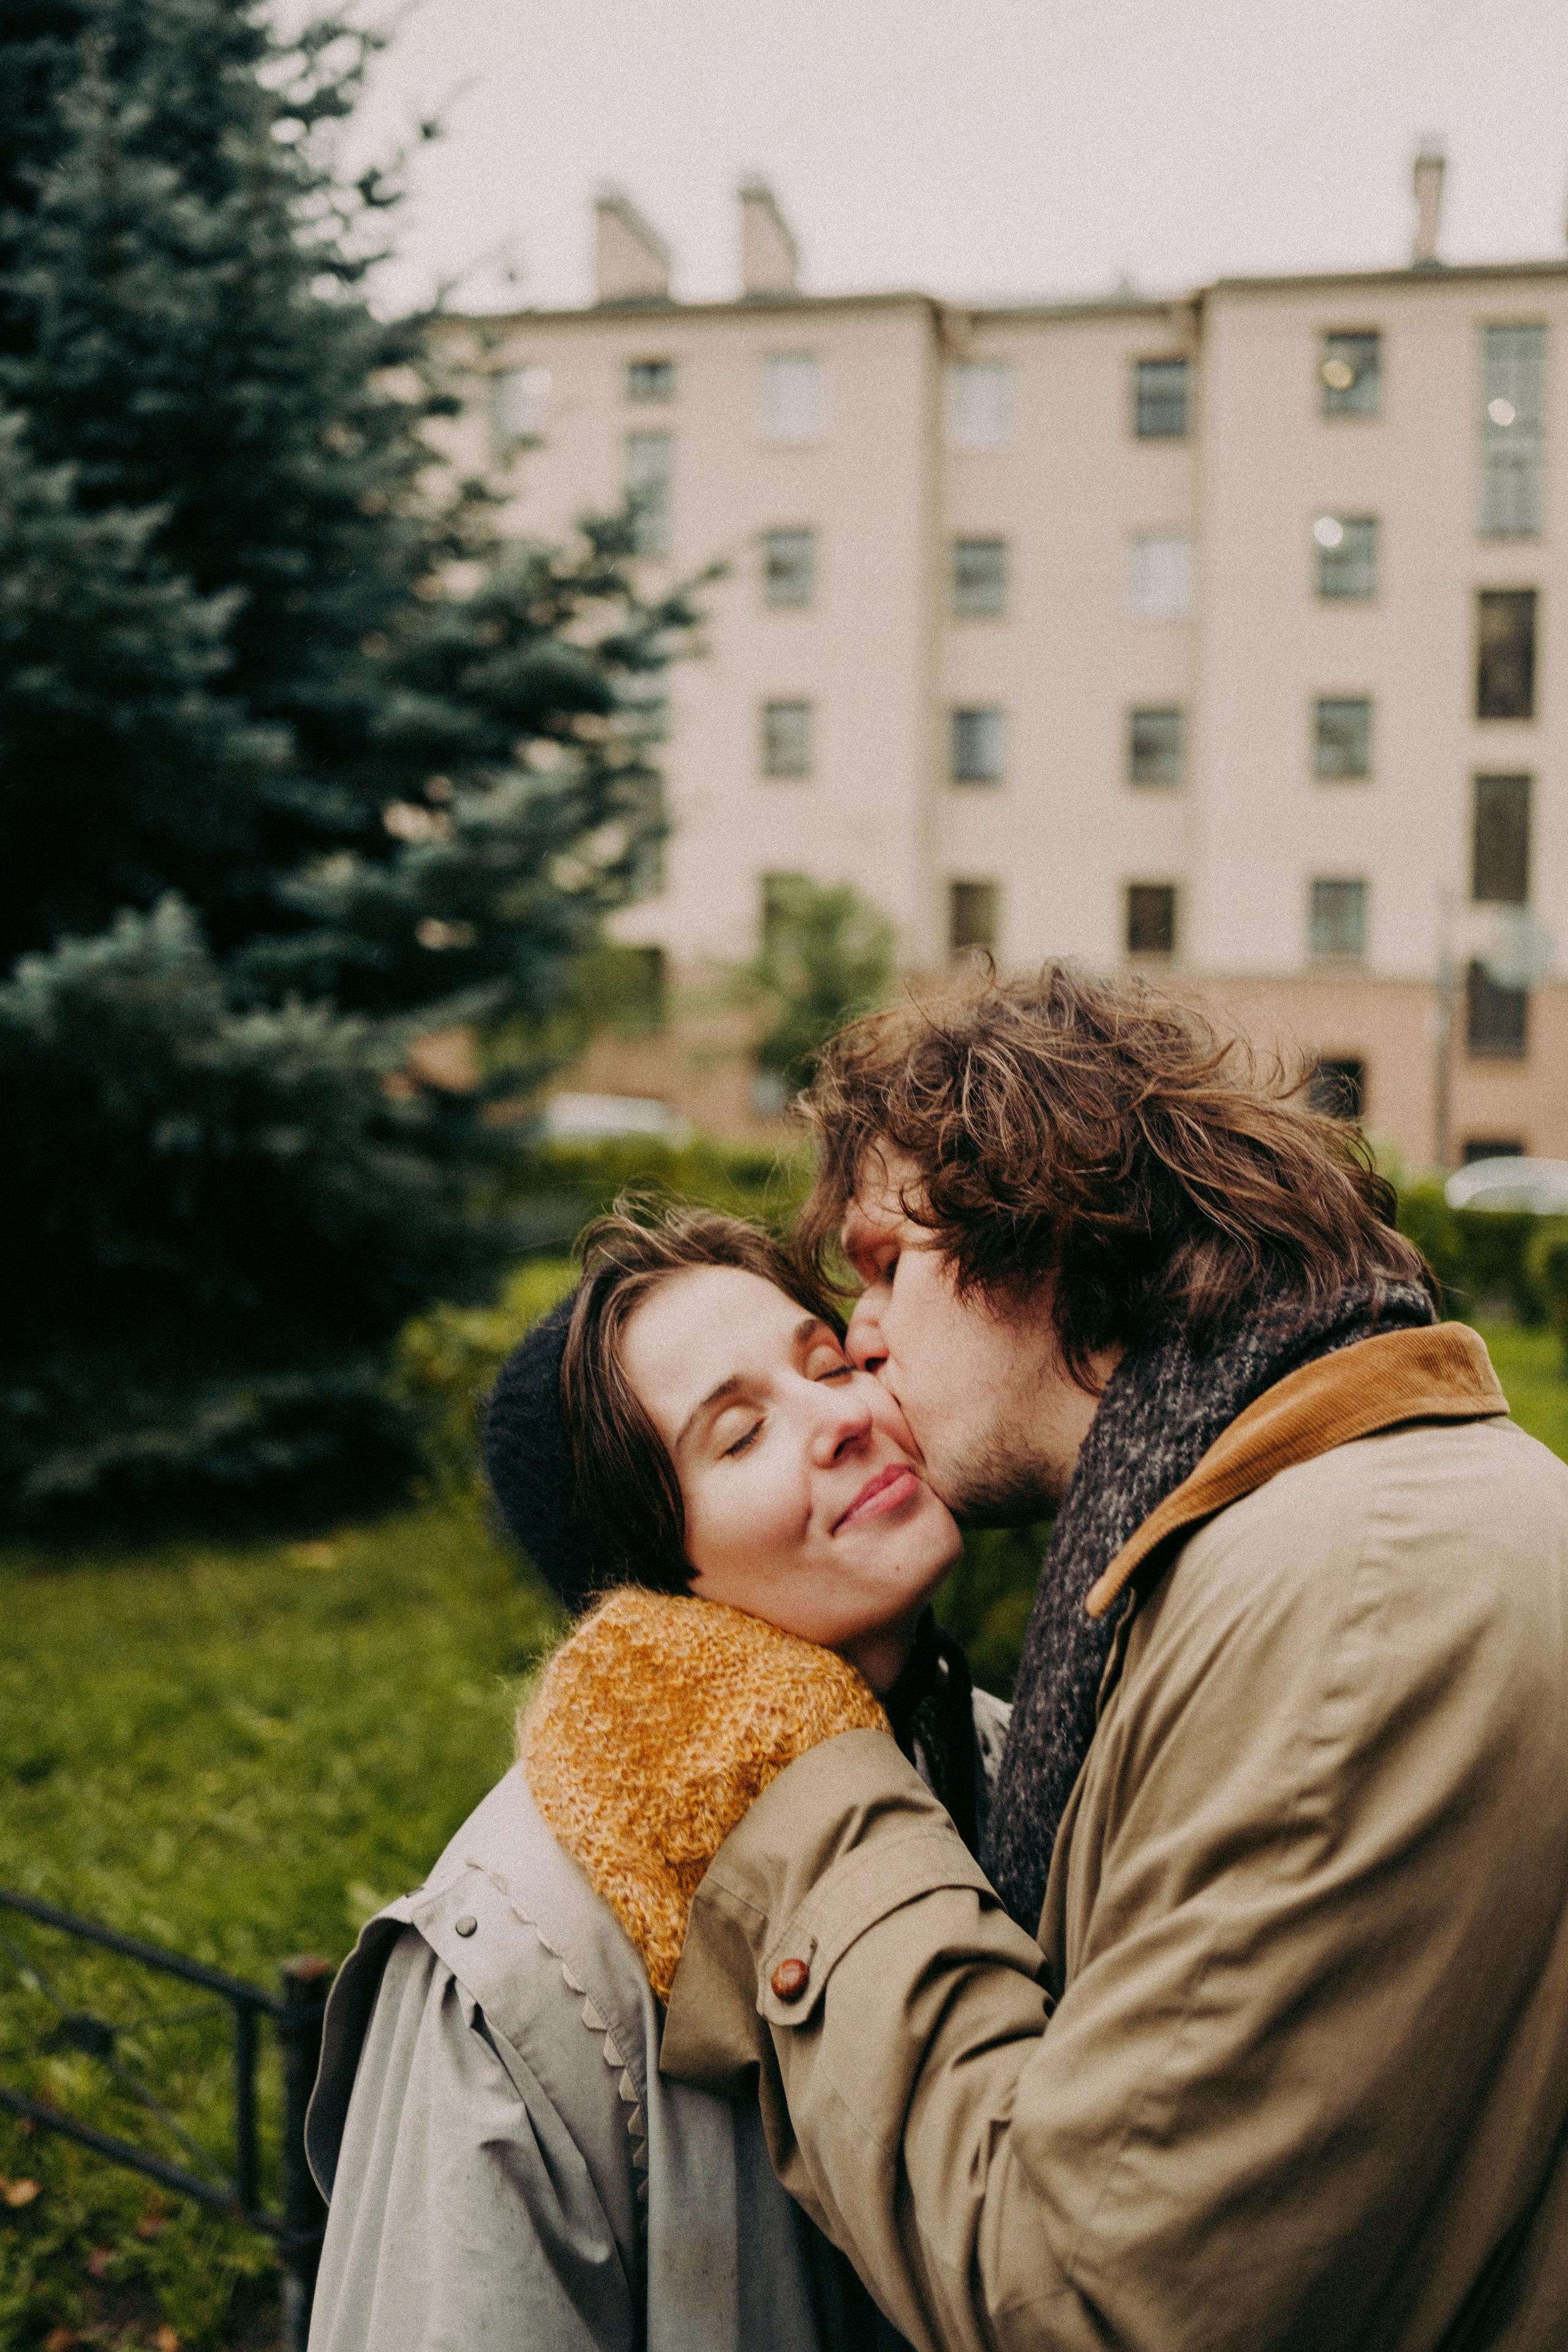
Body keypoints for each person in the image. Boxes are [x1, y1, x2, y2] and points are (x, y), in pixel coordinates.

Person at [548, 965, 1568, 2352]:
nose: (861, 1346)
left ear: (1040, 1228)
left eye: (884, 1266)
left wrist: (799, 1808)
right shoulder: (1305, 1539)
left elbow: (1092, 2305)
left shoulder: (1347, 1606)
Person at [304, 1207, 1011, 2352]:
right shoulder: (517, 1965)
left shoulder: (1016, 1760)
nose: (839, 1419)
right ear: (647, 1584)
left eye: (826, 1362)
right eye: (738, 1436)